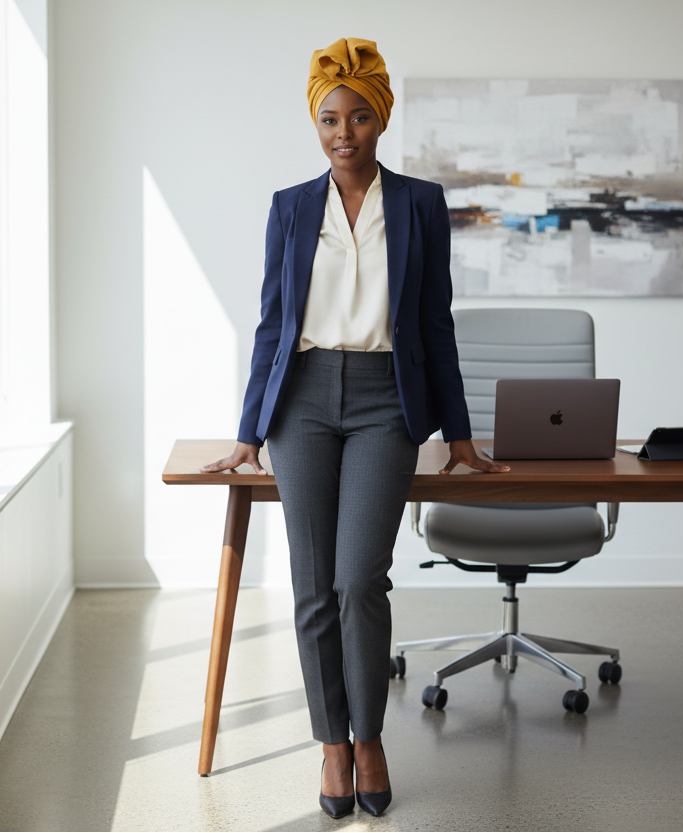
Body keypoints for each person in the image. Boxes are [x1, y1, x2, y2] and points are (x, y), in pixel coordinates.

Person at [202, 37, 509, 818]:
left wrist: (461, 433)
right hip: (301, 400)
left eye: (359, 116)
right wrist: (248, 429)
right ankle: (331, 746)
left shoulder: (417, 203)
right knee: (310, 586)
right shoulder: (289, 207)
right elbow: (272, 325)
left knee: (356, 580)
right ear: (315, 122)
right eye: (329, 118)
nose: (344, 132)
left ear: (381, 119)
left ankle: (367, 734)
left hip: (383, 402)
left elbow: (434, 324)